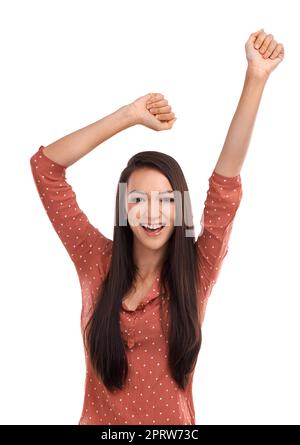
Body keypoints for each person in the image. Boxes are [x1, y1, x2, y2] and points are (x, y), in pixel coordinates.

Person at [29, 29, 284, 425]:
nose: (153, 213)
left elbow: (225, 188)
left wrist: (256, 78)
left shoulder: (196, 271)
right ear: (122, 208)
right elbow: (46, 169)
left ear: (180, 208)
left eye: (166, 200)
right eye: (138, 199)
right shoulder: (95, 261)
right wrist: (129, 115)